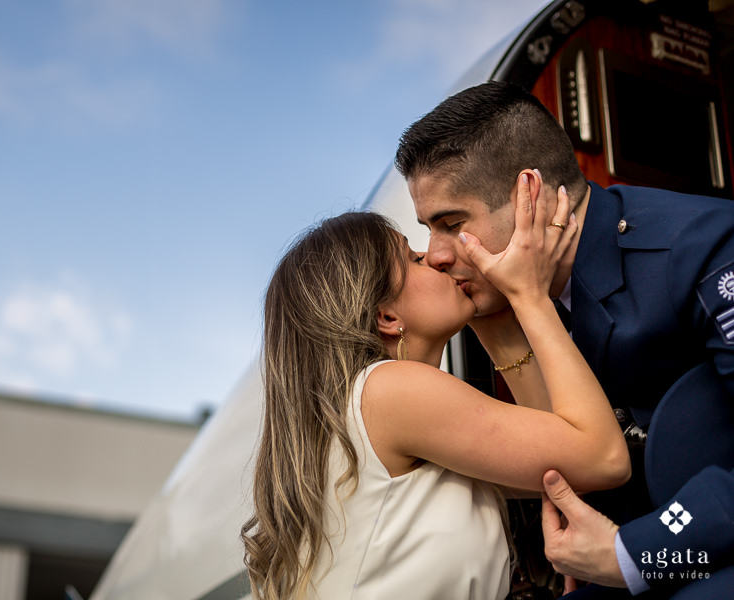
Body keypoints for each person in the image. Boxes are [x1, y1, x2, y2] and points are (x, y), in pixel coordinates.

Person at [394, 80, 734, 598]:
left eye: (452, 223)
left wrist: (635, 555)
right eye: (429, 229)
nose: (436, 254)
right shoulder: (519, 298)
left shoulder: (703, 249)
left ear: (528, 196)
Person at [241, 172, 630, 600]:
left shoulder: (369, 406)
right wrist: (529, 294)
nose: (435, 258)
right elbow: (603, 459)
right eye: (412, 258)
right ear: (387, 317)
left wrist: (495, 319)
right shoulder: (388, 390)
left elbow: (565, 468)